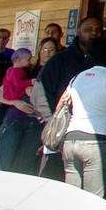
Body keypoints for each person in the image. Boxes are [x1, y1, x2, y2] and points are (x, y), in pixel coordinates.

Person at [32, 15, 97, 181]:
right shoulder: (60, 59)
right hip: (60, 132)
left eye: (98, 30)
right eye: (88, 30)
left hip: (88, 134)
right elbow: (40, 92)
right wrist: (51, 122)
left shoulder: (100, 61)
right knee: (51, 180)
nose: (94, 33)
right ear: (78, 32)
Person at [62, 36, 106, 198]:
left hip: (71, 139)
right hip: (98, 141)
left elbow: (61, 104)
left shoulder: (77, 78)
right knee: (94, 198)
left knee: (71, 195)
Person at [0, 48, 42, 174]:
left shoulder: (19, 71)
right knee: (5, 161)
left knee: (25, 165)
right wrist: (16, 102)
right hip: (15, 118)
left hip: (34, 121)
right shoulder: (18, 72)